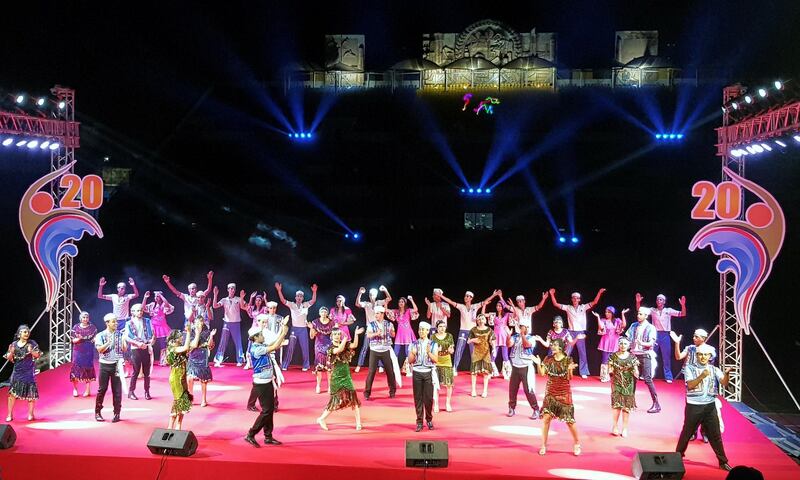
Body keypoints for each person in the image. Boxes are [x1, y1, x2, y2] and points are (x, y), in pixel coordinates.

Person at [675, 343, 732, 471]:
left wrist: (727, 374)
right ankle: (677, 457)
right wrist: (702, 376)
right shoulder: (689, 368)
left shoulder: (714, 369)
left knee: (715, 434)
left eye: (706, 355)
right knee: (687, 433)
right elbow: (690, 385)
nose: (703, 357)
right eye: (700, 354)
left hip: (710, 405)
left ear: (710, 356)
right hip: (694, 406)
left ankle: (723, 461)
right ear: (696, 355)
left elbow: (724, 382)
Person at [244, 316, 290, 448]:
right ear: (255, 337)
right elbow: (275, 345)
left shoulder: (260, 345)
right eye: (260, 335)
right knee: (266, 410)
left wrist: (282, 330)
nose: (263, 336)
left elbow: (275, 342)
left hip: (267, 381)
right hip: (261, 383)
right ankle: (251, 434)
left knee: (269, 410)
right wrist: (284, 333)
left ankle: (268, 436)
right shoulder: (256, 349)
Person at [537, 338, 581, 456]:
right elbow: (542, 373)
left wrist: (569, 370)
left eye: (555, 345)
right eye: (552, 345)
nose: (552, 346)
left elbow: (569, 378)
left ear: (561, 347)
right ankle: (543, 445)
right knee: (546, 419)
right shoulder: (548, 359)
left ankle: (577, 443)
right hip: (550, 392)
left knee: (569, 421)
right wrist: (537, 363)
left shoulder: (567, 360)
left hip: (564, 393)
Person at [316, 326, 365, 431]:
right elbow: (339, 350)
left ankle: (358, 423)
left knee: (354, 400)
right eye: (336, 334)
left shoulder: (345, 344)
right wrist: (344, 340)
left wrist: (355, 334)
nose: (338, 336)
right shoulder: (330, 348)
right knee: (335, 402)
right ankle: (321, 418)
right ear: (332, 336)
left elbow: (355, 345)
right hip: (336, 378)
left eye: (339, 334)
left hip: (346, 376)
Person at [672, 328, 717, 442]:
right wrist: (677, 343)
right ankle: (692, 431)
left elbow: (709, 363)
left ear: (703, 338)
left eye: (697, 336)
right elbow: (678, 357)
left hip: (706, 380)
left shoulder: (710, 349)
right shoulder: (690, 348)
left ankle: (705, 431)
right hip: (692, 380)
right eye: (694, 336)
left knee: (706, 407)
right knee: (692, 408)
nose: (694, 338)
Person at [549, 288, 606, 378]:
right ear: (572, 299)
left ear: (579, 299)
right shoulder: (568, 307)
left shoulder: (583, 307)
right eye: (573, 298)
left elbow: (594, 302)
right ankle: (561, 369)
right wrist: (552, 294)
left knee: (582, 352)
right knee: (567, 351)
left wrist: (599, 292)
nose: (575, 299)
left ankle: (583, 371)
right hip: (570, 332)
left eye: (577, 298)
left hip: (580, 332)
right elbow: (555, 304)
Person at [636, 293, 686, 383]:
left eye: (660, 299)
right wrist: (638, 302)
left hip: (665, 335)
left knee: (666, 357)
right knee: (650, 355)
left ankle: (668, 376)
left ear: (664, 301)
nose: (658, 301)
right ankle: (646, 374)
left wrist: (683, 305)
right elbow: (639, 310)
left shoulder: (668, 310)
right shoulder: (652, 310)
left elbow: (682, 314)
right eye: (657, 299)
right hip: (655, 334)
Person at [276, 282, 317, 371]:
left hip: (303, 329)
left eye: (300, 296)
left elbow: (313, 301)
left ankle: (306, 365)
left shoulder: (305, 305)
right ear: (295, 297)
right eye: (297, 296)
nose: (299, 298)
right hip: (294, 329)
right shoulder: (292, 305)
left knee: (305, 348)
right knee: (290, 347)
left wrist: (314, 292)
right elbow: (283, 301)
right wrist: (279, 290)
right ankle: (285, 365)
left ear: (302, 298)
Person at [166, 323, 200, 430]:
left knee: (184, 401)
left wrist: (198, 332)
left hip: (183, 378)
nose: (182, 337)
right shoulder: (172, 349)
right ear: (174, 339)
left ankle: (179, 425)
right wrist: (189, 332)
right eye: (180, 336)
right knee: (178, 401)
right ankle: (170, 426)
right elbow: (186, 346)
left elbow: (193, 345)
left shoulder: (181, 349)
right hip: (176, 379)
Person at [94, 313, 128, 422]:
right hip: (104, 365)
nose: (116, 323)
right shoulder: (100, 335)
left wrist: (123, 340)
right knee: (102, 389)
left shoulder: (120, 334)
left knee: (117, 390)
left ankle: (117, 413)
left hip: (117, 365)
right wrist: (109, 342)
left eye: (116, 321)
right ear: (107, 323)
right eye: (113, 321)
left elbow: (124, 349)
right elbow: (100, 350)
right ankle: (98, 412)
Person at [626, 307, 660, 413]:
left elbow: (651, 343)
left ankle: (656, 404)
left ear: (646, 316)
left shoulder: (651, 328)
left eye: (641, 314)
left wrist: (642, 343)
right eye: (638, 313)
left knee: (648, 379)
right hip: (634, 355)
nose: (638, 315)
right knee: (632, 379)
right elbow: (628, 338)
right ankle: (631, 402)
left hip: (645, 355)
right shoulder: (633, 325)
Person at [4, 325, 41, 422]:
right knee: (12, 395)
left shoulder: (32, 343)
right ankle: (9, 414)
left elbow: (37, 355)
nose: (27, 333)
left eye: (28, 332)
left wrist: (31, 351)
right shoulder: (14, 344)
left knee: (31, 394)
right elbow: (8, 357)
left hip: (29, 372)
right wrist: (11, 353)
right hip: (17, 373)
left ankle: (30, 414)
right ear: (19, 333)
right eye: (25, 332)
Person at [506, 322, 542, 419]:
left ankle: (536, 409)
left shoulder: (531, 338)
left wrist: (522, 335)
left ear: (527, 328)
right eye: (520, 326)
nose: (521, 328)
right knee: (512, 389)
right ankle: (511, 408)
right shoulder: (515, 337)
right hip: (515, 367)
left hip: (526, 367)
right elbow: (509, 344)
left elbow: (527, 345)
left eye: (524, 327)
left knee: (528, 390)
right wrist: (508, 336)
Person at [408, 322, 439, 431]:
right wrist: (413, 353)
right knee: (418, 398)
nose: (421, 331)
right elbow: (410, 361)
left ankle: (429, 419)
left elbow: (436, 360)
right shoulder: (413, 344)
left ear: (427, 331)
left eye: (423, 330)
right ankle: (419, 421)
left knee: (428, 398)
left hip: (428, 372)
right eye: (420, 329)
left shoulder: (433, 344)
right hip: (417, 372)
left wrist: (428, 353)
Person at [363, 306, 398, 400]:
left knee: (390, 371)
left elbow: (393, 335)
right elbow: (369, 335)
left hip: (385, 350)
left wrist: (391, 332)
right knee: (371, 372)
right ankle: (367, 393)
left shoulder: (389, 324)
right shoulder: (371, 324)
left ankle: (392, 391)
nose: (376, 315)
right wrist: (376, 334)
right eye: (375, 313)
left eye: (378, 313)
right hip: (375, 350)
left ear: (382, 314)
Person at [354, 286, 392, 372]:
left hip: (379, 327)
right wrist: (360, 293)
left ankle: (380, 366)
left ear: (376, 295)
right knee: (365, 347)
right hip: (370, 328)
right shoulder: (367, 304)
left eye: (373, 294)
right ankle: (359, 365)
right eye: (370, 294)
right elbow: (357, 304)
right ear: (369, 295)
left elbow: (389, 298)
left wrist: (385, 290)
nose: (372, 296)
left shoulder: (379, 302)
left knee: (380, 346)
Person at [608, 337, 639, 437]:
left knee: (626, 408)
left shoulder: (632, 357)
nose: (623, 345)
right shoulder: (613, 356)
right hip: (616, 383)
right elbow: (610, 368)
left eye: (625, 344)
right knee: (616, 406)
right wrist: (610, 371)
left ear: (629, 345)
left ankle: (625, 428)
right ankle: (615, 426)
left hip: (628, 384)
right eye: (621, 343)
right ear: (618, 344)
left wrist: (636, 372)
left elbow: (636, 370)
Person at [212, 283, 248, 367]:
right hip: (227, 323)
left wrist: (242, 298)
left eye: (233, 289)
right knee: (223, 341)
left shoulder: (238, 299)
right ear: (227, 290)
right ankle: (218, 360)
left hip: (236, 323)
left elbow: (243, 307)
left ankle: (240, 359)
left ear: (235, 290)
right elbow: (215, 306)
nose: (231, 290)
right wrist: (215, 295)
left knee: (238, 341)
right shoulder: (224, 300)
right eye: (230, 288)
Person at [186, 312, 216, 407]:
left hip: (203, 357)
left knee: (203, 380)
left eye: (201, 322)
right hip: (193, 356)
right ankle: (191, 398)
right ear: (194, 323)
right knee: (190, 378)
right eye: (197, 322)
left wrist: (211, 336)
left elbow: (210, 345)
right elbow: (193, 345)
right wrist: (197, 333)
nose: (199, 324)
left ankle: (204, 399)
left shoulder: (207, 332)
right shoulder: (190, 332)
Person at [125, 303, 155, 400]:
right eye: (137, 310)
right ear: (132, 312)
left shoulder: (147, 321)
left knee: (147, 372)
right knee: (136, 371)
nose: (140, 312)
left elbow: (152, 334)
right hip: (136, 348)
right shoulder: (129, 323)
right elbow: (127, 337)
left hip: (145, 347)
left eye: (141, 310)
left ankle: (147, 391)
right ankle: (131, 392)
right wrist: (137, 343)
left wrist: (150, 342)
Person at [592, 306, 628, 382]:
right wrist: (598, 317)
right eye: (606, 312)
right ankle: (604, 376)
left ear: (612, 313)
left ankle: (616, 376)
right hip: (606, 341)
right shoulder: (603, 320)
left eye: (608, 312)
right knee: (605, 359)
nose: (606, 313)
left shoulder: (617, 320)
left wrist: (622, 314)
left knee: (616, 359)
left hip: (615, 341)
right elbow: (601, 327)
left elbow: (624, 325)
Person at [387, 296, 419, 376]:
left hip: (407, 333)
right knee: (395, 352)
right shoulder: (396, 311)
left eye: (402, 302)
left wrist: (411, 299)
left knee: (407, 352)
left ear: (405, 303)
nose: (400, 303)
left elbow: (415, 309)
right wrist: (386, 302)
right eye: (399, 302)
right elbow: (386, 310)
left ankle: (408, 370)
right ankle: (393, 369)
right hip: (399, 334)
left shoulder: (408, 311)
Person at [143, 291, 175, 367]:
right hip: (153, 326)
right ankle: (147, 360)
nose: (156, 298)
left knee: (163, 344)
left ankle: (163, 360)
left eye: (158, 296)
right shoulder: (152, 305)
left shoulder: (163, 305)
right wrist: (145, 297)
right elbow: (143, 308)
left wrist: (161, 295)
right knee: (149, 343)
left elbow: (168, 306)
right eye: (155, 296)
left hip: (162, 327)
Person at [468, 313, 496, 398]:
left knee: (486, 372)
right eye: (479, 319)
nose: (481, 320)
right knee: (474, 372)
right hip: (476, 352)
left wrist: (494, 348)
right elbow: (468, 341)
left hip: (485, 351)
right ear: (477, 320)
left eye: (482, 318)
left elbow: (493, 340)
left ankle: (485, 391)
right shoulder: (473, 330)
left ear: (485, 320)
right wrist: (473, 340)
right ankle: (473, 390)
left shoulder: (489, 330)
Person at [70, 311, 97, 397]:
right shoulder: (75, 327)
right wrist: (78, 339)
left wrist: (95, 340)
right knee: (76, 369)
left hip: (88, 350)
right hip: (78, 350)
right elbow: (73, 340)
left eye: (87, 317)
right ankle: (75, 389)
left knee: (88, 368)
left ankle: (87, 390)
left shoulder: (93, 327)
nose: (85, 319)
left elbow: (95, 338)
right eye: (83, 317)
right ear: (80, 318)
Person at [486, 297, 514, 378]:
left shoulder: (506, 315)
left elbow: (515, 314)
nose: (498, 307)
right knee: (493, 355)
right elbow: (483, 314)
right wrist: (484, 305)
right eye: (497, 306)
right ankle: (492, 372)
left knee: (505, 356)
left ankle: (507, 373)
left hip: (504, 337)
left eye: (500, 306)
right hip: (495, 338)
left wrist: (511, 305)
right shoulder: (493, 315)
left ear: (503, 307)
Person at [309, 307, 335, 394]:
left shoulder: (332, 323)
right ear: (319, 313)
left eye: (325, 312)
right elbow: (312, 337)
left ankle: (330, 386)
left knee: (329, 368)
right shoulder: (315, 322)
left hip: (329, 346)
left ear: (327, 313)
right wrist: (311, 328)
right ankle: (318, 385)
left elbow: (334, 335)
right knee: (319, 368)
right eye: (322, 312)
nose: (323, 313)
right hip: (319, 346)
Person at [431, 320, 455, 412]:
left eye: (444, 326)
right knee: (436, 384)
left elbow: (452, 350)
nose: (442, 328)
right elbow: (430, 350)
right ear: (437, 327)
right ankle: (436, 404)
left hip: (447, 361)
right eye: (440, 326)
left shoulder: (449, 336)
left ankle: (448, 403)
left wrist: (450, 350)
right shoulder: (433, 337)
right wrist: (436, 350)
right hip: (436, 361)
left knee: (449, 384)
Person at [244, 294, 268, 369]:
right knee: (250, 346)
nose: (258, 302)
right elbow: (248, 309)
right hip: (253, 330)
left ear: (261, 301)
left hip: (260, 331)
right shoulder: (253, 309)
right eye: (256, 300)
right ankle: (248, 363)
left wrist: (265, 298)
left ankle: (260, 363)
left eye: (259, 300)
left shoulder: (263, 309)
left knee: (259, 347)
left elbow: (269, 308)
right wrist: (251, 298)